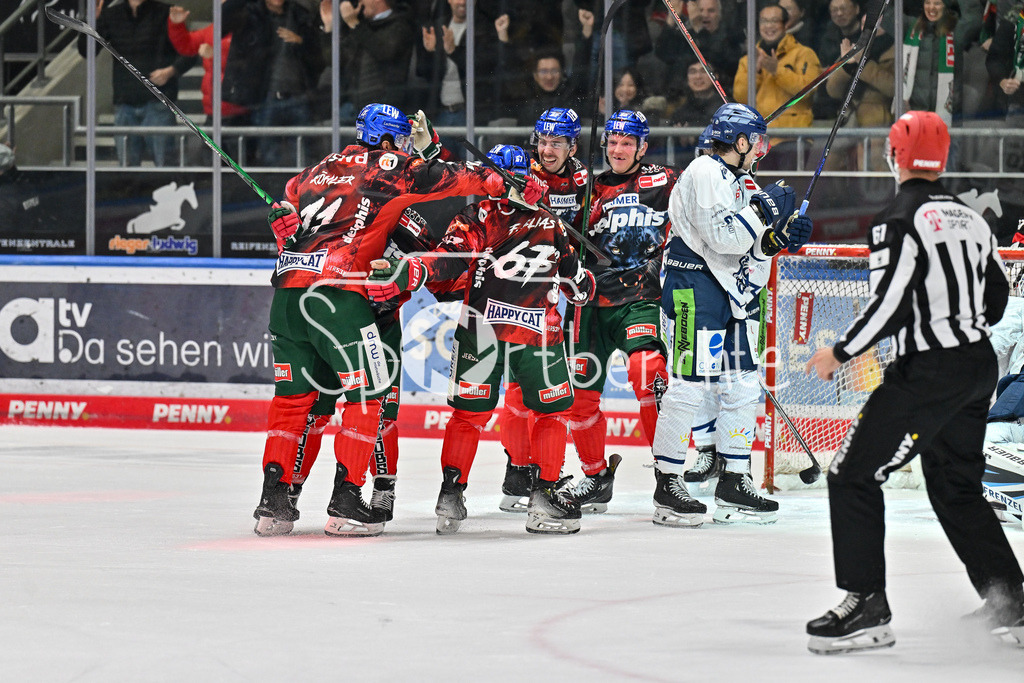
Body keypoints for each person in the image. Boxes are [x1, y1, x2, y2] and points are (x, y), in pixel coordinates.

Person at [804, 111, 1024, 653]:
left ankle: (866, 606)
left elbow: (888, 303)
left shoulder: (896, 219)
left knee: (850, 474)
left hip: (927, 371)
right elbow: (998, 300)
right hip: (975, 368)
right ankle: (1012, 602)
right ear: (942, 158)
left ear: (894, 156)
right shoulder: (972, 219)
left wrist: (839, 350)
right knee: (956, 487)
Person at [251, 103, 508, 538]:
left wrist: (278, 218)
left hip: (289, 296)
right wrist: (501, 182)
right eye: (403, 141)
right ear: (387, 139)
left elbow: (286, 203)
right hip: (339, 295)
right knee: (369, 396)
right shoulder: (388, 166)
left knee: (293, 402)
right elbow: (459, 179)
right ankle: (347, 499)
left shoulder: (319, 168)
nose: (408, 149)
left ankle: (273, 504)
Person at [367, 144, 593, 535]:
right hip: (538, 337)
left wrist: (411, 269)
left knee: (468, 416)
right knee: (551, 414)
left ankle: (450, 497)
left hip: (480, 335)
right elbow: (579, 288)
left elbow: (447, 261)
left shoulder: (472, 218)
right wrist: (583, 279)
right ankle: (544, 498)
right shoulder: (548, 222)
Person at [652, 103, 811, 527]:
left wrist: (779, 237)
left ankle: (734, 478)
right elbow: (722, 237)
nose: (761, 148)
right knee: (688, 386)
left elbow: (751, 248)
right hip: (695, 287)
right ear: (739, 141)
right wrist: (763, 211)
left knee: (741, 385)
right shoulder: (704, 172)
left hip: (736, 295)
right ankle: (666, 483)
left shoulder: (743, 181)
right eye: (756, 140)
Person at [563, 109, 675, 513]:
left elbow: (703, 201)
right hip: (590, 303)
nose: (618, 149)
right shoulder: (589, 190)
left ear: (643, 146)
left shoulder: (663, 180)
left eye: (627, 143)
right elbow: (566, 237)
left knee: (648, 372)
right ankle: (595, 477)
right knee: (580, 397)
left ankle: (669, 476)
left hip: (639, 296)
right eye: (612, 142)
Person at [498, 107, 591, 513]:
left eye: (556, 143)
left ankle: (530, 471)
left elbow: (591, 224)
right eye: (543, 141)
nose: (547, 149)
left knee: (548, 383)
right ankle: (519, 470)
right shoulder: (522, 169)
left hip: (560, 287)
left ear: (572, 146)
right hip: (518, 285)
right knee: (522, 385)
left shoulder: (583, 178)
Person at [78, 0, 197, 167]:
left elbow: (191, 52)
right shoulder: (111, 15)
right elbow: (87, 51)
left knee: (165, 169)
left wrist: (170, 71)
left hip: (158, 102)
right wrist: (90, 23)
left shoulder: (165, 13)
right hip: (125, 102)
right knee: (126, 172)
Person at [222, 0, 324, 167]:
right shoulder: (249, 14)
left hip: (298, 95)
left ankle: (301, 191)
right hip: (265, 96)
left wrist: (301, 42)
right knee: (267, 151)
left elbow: (319, 58)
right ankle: (270, 190)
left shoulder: (300, 15)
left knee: (304, 154)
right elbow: (223, 22)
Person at [734, 3, 822, 129]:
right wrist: (756, 72)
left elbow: (808, 91)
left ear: (786, 24)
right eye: (764, 21)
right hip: (759, 135)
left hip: (792, 136)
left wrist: (777, 71)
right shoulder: (748, 59)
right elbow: (740, 98)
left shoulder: (804, 54)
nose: (769, 26)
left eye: (775, 21)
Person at [338, 0, 416, 113]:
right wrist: (329, 29)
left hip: (384, 108)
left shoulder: (401, 25)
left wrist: (355, 24)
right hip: (356, 104)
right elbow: (340, 60)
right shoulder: (362, 27)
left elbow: (385, 51)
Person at [900, 0, 959, 125]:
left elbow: (973, 17)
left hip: (947, 114)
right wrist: (902, 99)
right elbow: (885, 14)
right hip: (914, 112)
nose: (931, 8)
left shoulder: (958, 30)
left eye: (937, 3)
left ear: (946, 6)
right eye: (927, 2)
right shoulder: (910, 26)